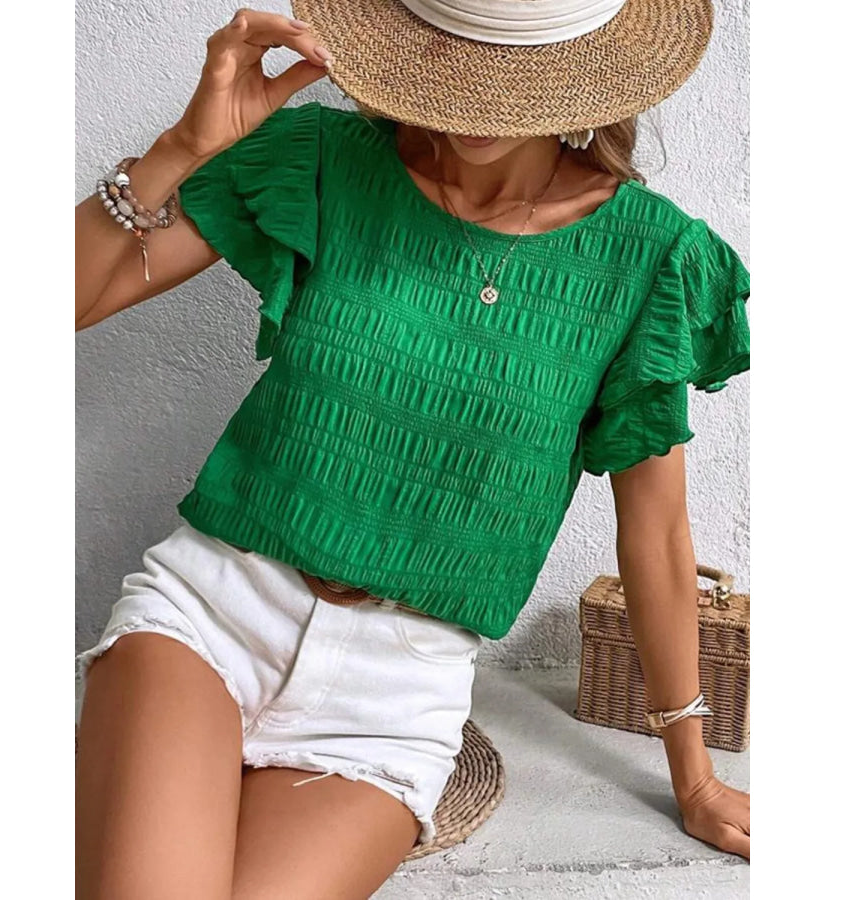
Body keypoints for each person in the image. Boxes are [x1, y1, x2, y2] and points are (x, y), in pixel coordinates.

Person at [75, 2, 751, 896]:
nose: (473, 101)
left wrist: (694, 778)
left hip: (397, 689)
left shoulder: (654, 260)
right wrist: (180, 147)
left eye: (507, 73)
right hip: (214, 614)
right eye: (452, 59)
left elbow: (657, 536)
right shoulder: (324, 160)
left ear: (579, 73)